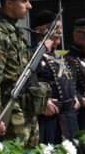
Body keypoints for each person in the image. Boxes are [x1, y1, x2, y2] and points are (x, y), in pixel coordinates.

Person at [0, 0, 52, 147]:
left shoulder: (15, 32)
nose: (29, 6)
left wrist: (39, 53)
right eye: (24, 1)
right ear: (9, 3)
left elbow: (22, 67)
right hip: (11, 111)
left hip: (27, 108)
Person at [32, 10, 80, 144]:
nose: (60, 32)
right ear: (42, 30)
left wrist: (75, 96)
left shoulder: (59, 56)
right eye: (56, 28)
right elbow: (30, 83)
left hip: (69, 118)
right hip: (51, 120)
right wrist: (42, 101)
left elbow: (69, 80)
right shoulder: (33, 56)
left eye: (60, 28)